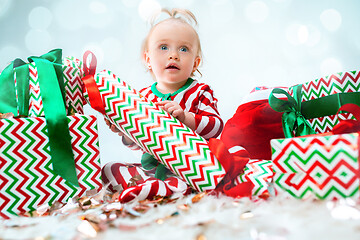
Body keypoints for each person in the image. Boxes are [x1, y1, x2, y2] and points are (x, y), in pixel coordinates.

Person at [102, 8, 224, 200]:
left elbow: (216, 127)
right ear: (147, 59)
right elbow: (142, 144)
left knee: (182, 183)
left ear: (195, 63)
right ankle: (148, 186)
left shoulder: (201, 92)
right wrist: (124, 131)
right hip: (151, 168)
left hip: (190, 169)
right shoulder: (141, 98)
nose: (173, 55)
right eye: (164, 47)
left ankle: (163, 190)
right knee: (109, 169)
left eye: (183, 49)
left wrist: (186, 118)